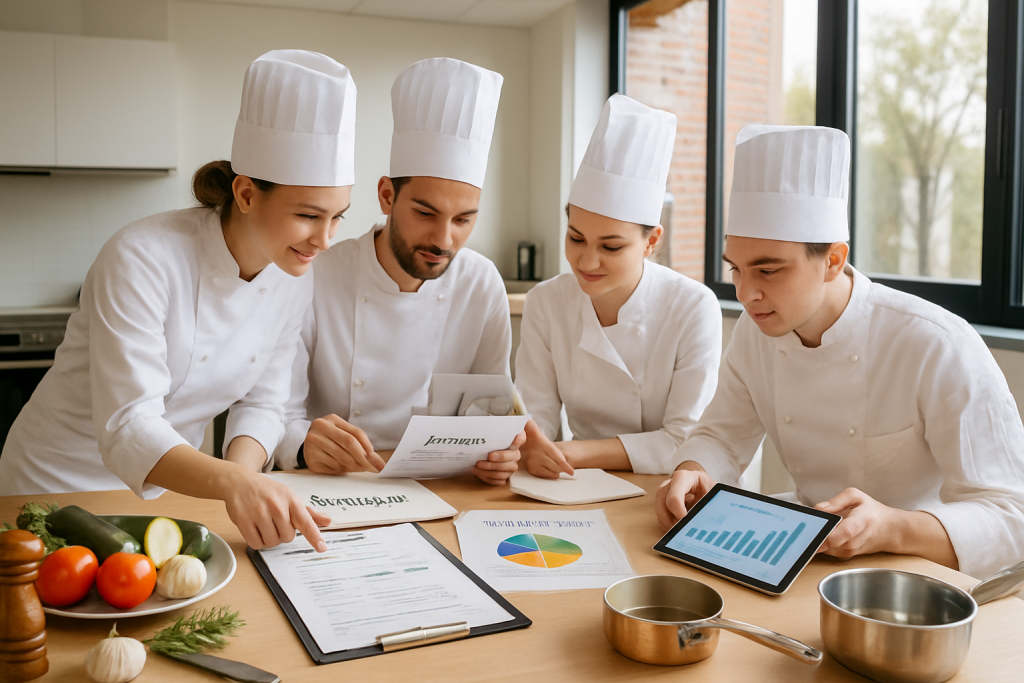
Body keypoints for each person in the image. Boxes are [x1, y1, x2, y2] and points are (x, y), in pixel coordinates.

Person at [0, 50, 360, 553]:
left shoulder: (293, 273)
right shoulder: (142, 257)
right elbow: (130, 424)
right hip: (51, 487)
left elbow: (264, 402)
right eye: (307, 215)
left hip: (168, 495)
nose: (325, 239)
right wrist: (236, 486)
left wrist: (243, 482)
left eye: (338, 216)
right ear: (247, 193)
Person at [654, 124, 1024, 578]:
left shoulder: (936, 344)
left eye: (768, 271)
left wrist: (893, 528)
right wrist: (692, 470)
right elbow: (722, 436)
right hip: (806, 561)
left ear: (832, 260)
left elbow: (1012, 517)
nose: (746, 293)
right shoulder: (760, 330)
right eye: (736, 268)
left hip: (916, 578)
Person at [265, 58, 518, 485]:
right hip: (330, 488)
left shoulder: (482, 283)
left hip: (442, 487)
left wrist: (500, 455)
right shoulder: (315, 275)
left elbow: (490, 418)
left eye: (463, 220)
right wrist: (305, 444)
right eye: (425, 212)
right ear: (387, 196)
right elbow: (274, 412)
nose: (444, 240)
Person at [513, 94, 721, 478]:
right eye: (575, 239)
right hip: (574, 482)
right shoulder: (547, 301)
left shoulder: (692, 306)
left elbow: (686, 440)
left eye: (611, 246)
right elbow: (534, 421)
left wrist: (573, 453)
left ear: (652, 241)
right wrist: (530, 449)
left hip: (670, 488)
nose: (587, 262)